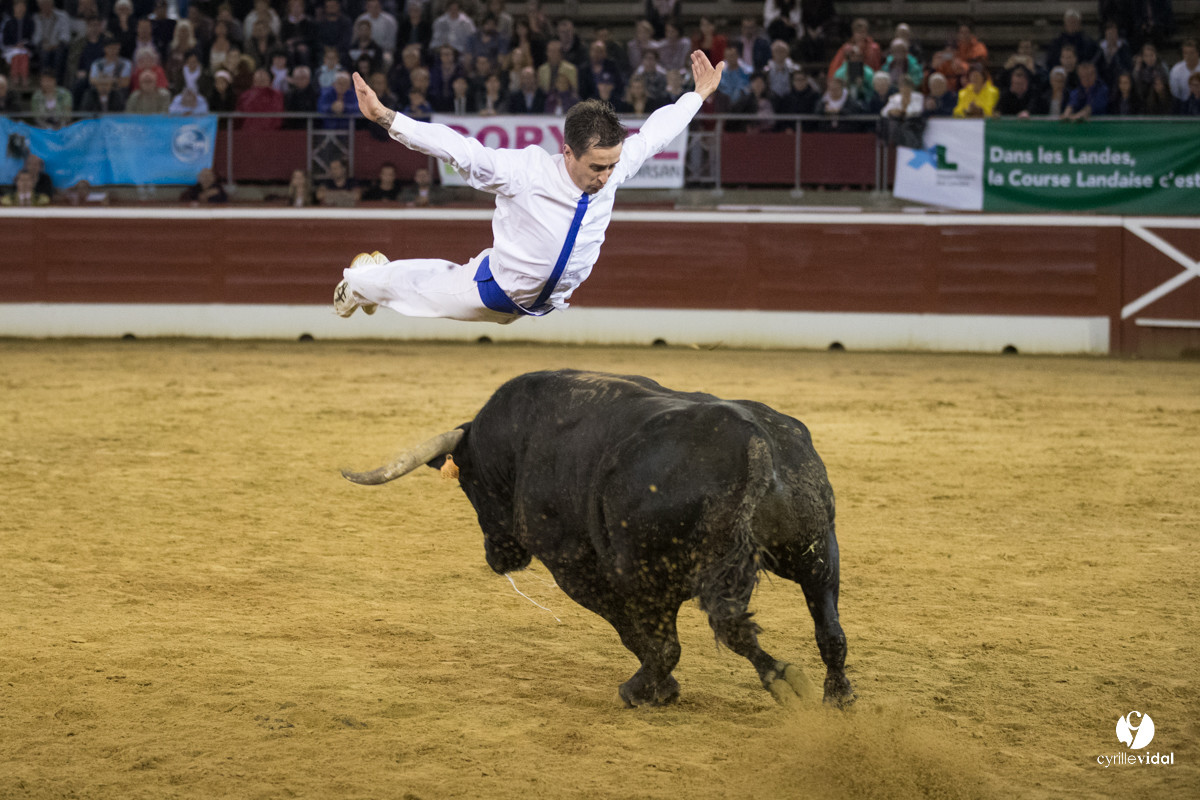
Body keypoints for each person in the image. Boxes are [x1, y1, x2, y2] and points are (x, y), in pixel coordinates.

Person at [332, 50, 724, 324]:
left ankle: (371, 284)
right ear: (567, 153)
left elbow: (657, 133)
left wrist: (698, 94)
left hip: (544, 302)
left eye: (612, 166)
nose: (606, 177)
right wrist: (386, 117)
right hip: (495, 291)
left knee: (432, 283)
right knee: (423, 289)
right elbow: (459, 151)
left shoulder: (616, 166)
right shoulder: (526, 171)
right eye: (597, 167)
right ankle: (359, 284)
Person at [881, 75, 924, 147]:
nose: (905, 89)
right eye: (902, 86)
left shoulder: (918, 97)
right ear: (899, 88)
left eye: (907, 86)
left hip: (914, 123)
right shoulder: (894, 98)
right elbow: (883, 112)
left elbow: (919, 109)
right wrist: (891, 111)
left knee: (906, 129)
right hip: (898, 124)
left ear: (912, 87)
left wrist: (904, 109)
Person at [1169, 39, 1200, 103]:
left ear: (1197, 53)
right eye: (1185, 53)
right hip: (1183, 103)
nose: (1188, 56)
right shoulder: (1176, 70)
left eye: (1191, 53)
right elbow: (1175, 93)